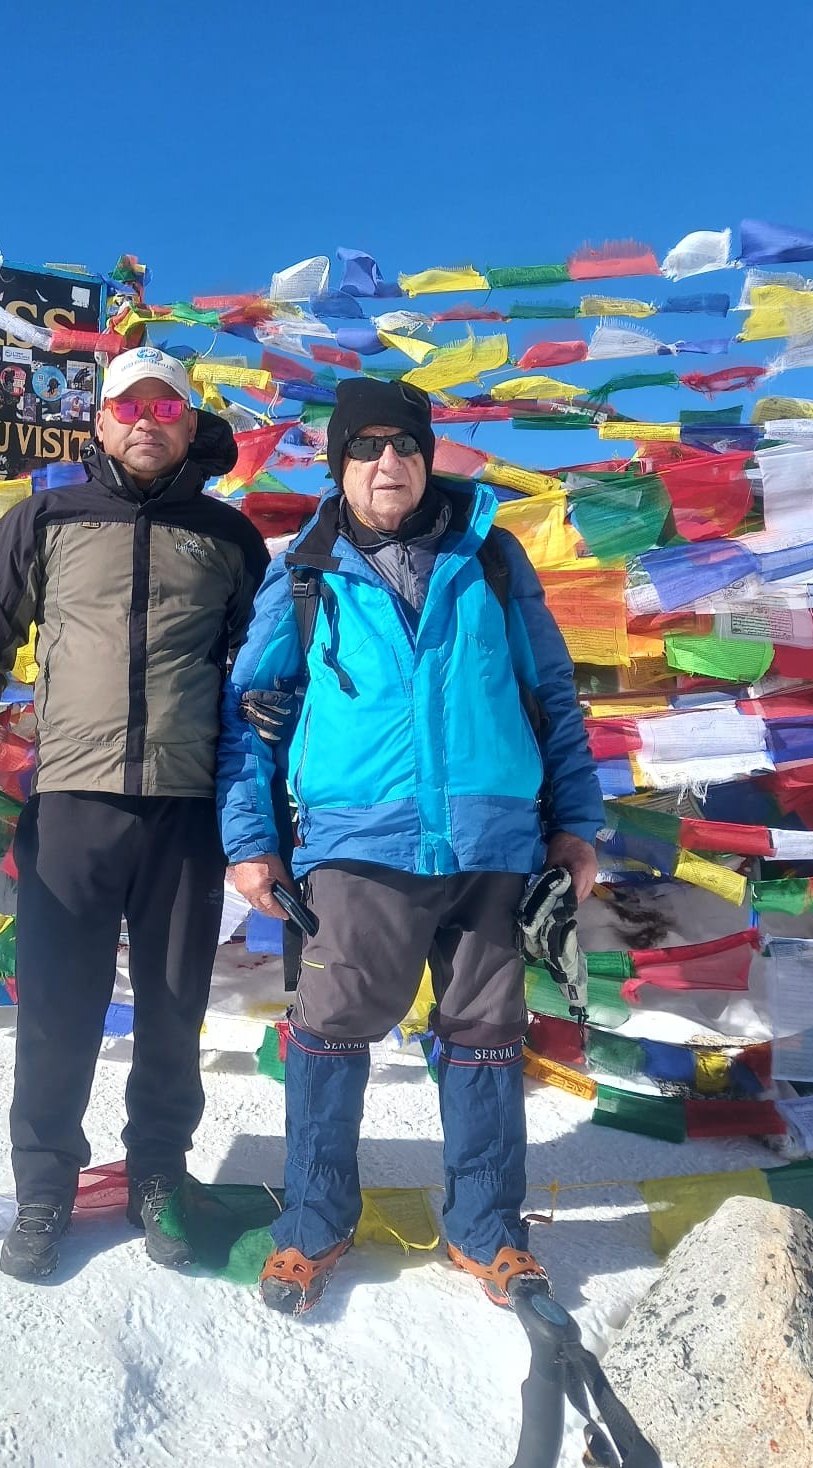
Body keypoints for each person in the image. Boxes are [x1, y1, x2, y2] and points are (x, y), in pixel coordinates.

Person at [217, 377, 602, 1315]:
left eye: (404, 445)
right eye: (365, 447)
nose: (387, 462)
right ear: (339, 463)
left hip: (490, 842)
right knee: (332, 1030)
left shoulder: (495, 558)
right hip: (358, 841)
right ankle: (312, 1220)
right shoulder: (304, 571)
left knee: (483, 1037)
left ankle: (488, 1228)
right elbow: (248, 721)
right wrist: (251, 841)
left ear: (429, 457)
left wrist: (577, 825)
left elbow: (552, 696)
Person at [0, 346, 270, 1281]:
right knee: (58, 1011)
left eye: (166, 404)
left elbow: (263, 683)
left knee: (171, 1009)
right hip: (71, 804)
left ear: (190, 424)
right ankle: (45, 1188)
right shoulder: (46, 520)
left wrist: (271, 801)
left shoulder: (232, 542)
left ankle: (160, 1175)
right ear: (100, 421)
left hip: (185, 814)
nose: (146, 418)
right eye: (128, 404)